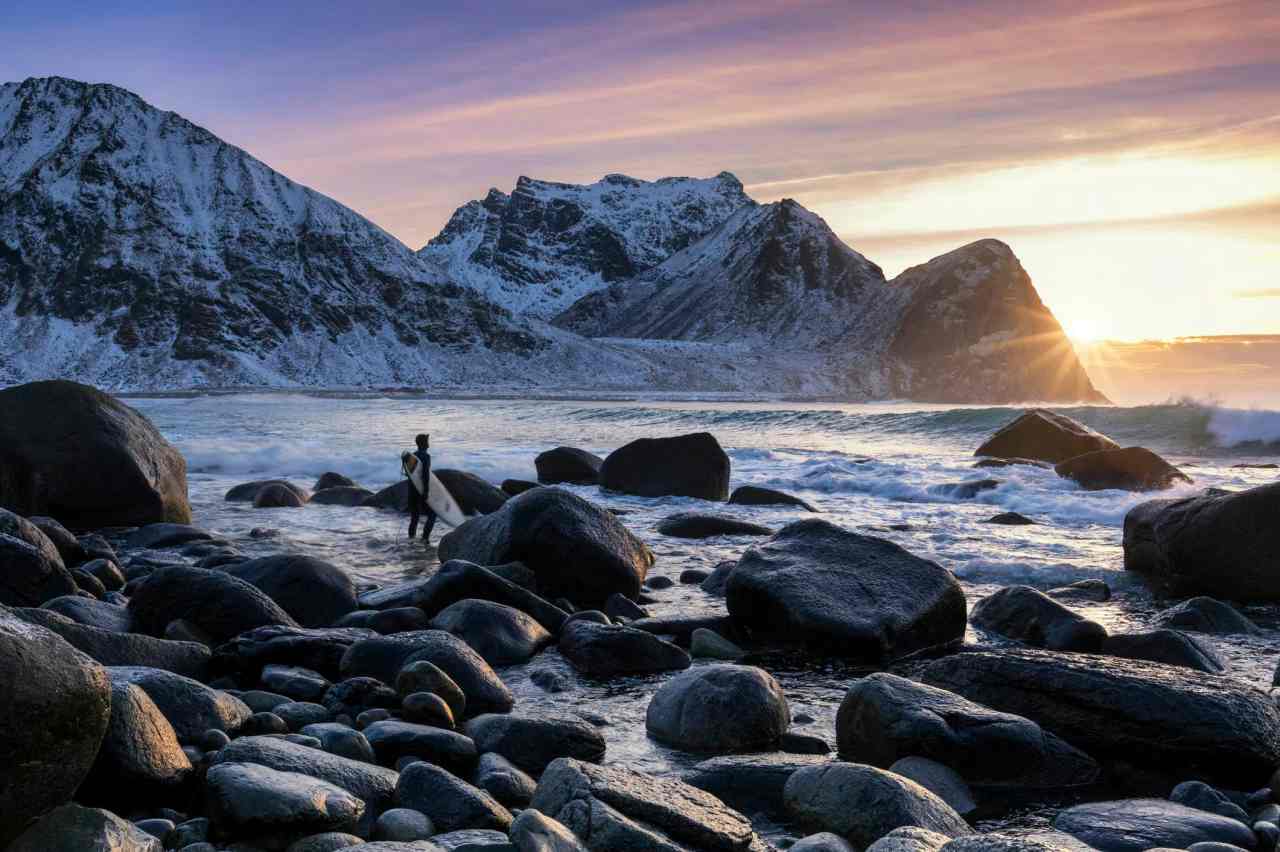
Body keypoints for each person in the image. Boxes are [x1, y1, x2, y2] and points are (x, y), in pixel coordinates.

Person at [405, 433, 437, 542]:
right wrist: (426, 491)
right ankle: (425, 538)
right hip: (421, 490)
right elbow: (425, 474)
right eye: (427, 441)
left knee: (415, 517)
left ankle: (411, 540)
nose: (429, 444)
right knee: (432, 515)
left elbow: (409, 475)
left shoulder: (412, 456)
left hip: (411, 490)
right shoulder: (426, 456)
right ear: (424, 443)